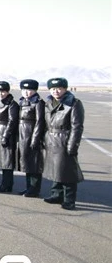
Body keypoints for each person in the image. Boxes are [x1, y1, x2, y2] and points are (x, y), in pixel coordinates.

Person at [43, 78, 84, 210]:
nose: (56, 91)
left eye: (59, 88)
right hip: (51, 139)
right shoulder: (49, 102)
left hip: (64, 140)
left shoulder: (73, 104)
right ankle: (56, 195)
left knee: (67, 172)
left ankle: (69, 199)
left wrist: (72, 145)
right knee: (55, 169)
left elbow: (77, 127)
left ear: (65, 89)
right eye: (53, 88)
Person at [16, 79, 45, 198]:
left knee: (34, 164)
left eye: (29, 90)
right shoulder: (22, 102)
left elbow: (39, 122)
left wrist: (35, 139)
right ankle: (28, 188)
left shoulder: (38, 103)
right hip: (23, 134)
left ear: (35, 90)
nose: (26, 92)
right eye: (24, 90)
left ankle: (34, 189)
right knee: (27, 163)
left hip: (31, 135)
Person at [0, 81, 19, 193]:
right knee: (3, 161)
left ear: (7, 91)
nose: (0, 94)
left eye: (3, 91)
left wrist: (6, 136)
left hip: (6, 134)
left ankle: (6, 185)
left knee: (7, 161)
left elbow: (12, 121)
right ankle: (6, 184)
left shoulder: (11, 104)